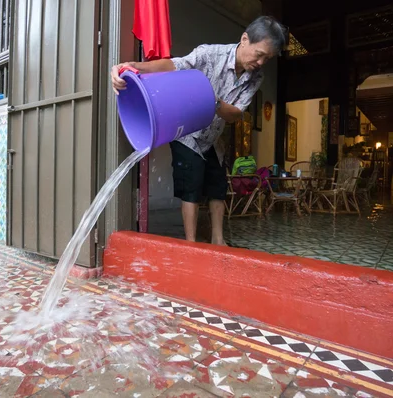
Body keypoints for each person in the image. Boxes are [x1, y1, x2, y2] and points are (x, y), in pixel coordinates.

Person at [111, 16, 286, 245]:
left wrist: (212, 101)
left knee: (217, 187)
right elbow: (174, 65)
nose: (261, 62)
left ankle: (218, 240)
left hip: (213, 137)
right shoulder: (209, 54)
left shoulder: (256, 77)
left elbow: (235, 114)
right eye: (259, 54)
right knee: (191, 186)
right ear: (245, 39)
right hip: (187, 132)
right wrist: (135, 66)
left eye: (268, 58)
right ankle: (191, 244)